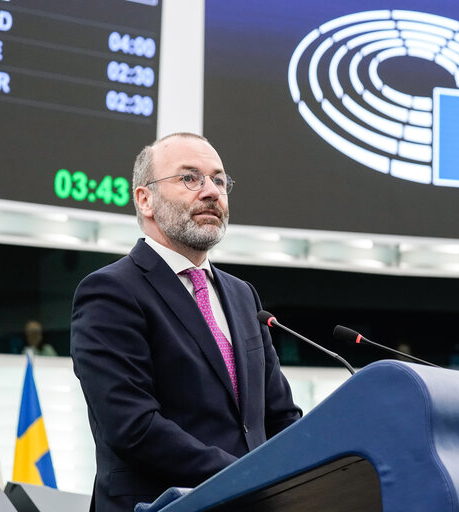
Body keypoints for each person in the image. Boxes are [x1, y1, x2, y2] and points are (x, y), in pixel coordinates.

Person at [70, 133, 302, 512]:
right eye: (190, 178)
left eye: (219, 180)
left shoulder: (244, 296)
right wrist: (250, 477)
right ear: (145, 199)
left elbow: (280, 417)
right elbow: (134, 427)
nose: (211, 191)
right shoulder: (110, 292)